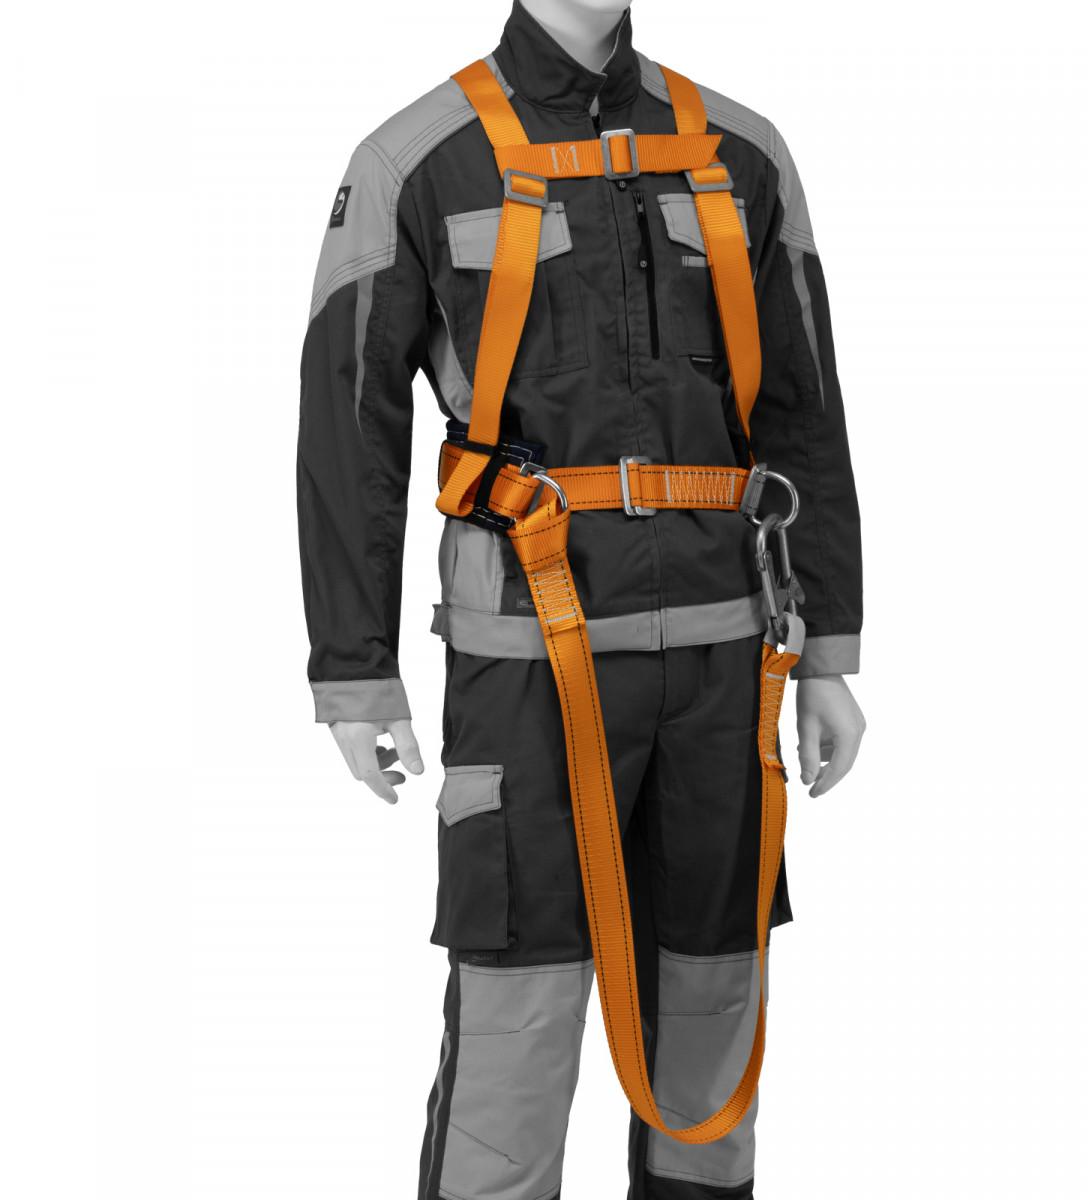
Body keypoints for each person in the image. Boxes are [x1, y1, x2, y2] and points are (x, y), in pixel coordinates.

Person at [296, 1, 865, 1196]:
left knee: (713, 1006)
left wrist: (827, 649)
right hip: (524, 664)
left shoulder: (741, 151)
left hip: (724, 657)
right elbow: (351, 427)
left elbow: (803, 410)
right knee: (520, 1016)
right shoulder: (416, 157)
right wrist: (355, 670)